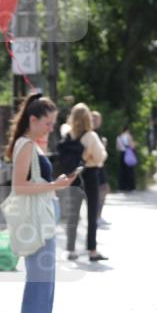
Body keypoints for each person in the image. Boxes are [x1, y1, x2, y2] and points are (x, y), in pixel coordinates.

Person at [7, 93, 76, 313]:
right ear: (33, 120)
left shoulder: (29, 145)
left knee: (43, 288)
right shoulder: (25, 147)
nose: (51, 128)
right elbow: (19, 187)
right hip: (36, 226)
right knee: (39, 288)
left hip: (41, 224)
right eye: (47, 123)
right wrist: (54, 186)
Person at [67, 103, 108, 261]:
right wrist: (101, 151)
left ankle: (71, 248)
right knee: (92, 213)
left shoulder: (69, 134)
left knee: (73, 214)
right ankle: (92, 249)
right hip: (90, 174)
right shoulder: (91, 136)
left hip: (74, 175)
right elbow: (99, 157)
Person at [90, 111, 111, 228]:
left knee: (104, 189)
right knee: (100, 191)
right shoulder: (91, 134)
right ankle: (95, 216)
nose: (97, 121)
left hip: (100, 165)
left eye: (98, 119)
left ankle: (98, 215)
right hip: (95, 166)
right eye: (95, 119)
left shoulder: (97, 133)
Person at [116, 125, 137, 192]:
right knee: (130, 171)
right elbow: (132, 146)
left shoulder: (119, 137)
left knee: (122, 171)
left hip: (122, 154)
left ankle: (122, 187)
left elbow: (118, 148)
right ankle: (130, 187)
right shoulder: (128, 136)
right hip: (128, 154)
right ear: (127, 130)